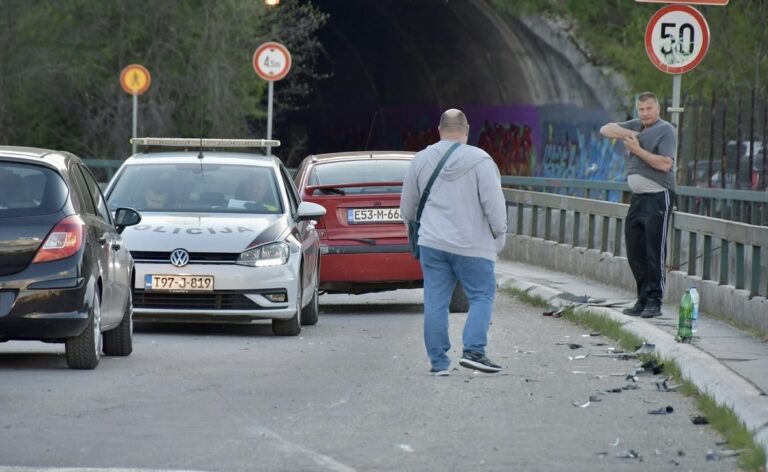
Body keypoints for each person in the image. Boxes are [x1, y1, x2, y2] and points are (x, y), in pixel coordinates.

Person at [400, 109, 508, 376]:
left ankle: (438, 363)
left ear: (439, 129)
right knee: (481, 296)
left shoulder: (421, 160)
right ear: (467, 129)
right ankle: (474, 351)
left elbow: (408, 207)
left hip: (433, 243)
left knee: (435, 302)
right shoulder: (481, 160)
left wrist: (415, 230)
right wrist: (499, 234)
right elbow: (494, 205)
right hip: (473, 245)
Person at [600, 92, 676, 318]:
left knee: (654, 251)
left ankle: (655, 300)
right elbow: (606, 129)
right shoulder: (637, 126)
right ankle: (642, 297)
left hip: (658, 195)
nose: (645, 113)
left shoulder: (666, 130)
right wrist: (634, 133)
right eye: (641, 109)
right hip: (638, 198)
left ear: (658, 108)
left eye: (649, 109)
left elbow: (664, 164)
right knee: (635, 250)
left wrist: (638, 149)